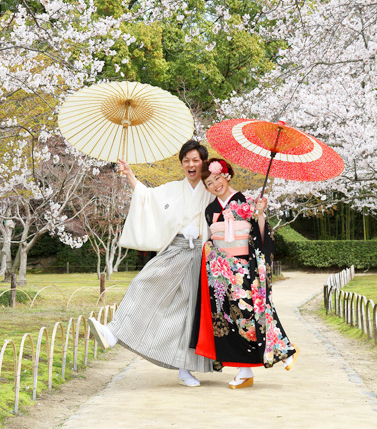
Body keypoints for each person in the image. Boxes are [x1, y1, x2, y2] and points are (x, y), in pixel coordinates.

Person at [88, 140, 214, 387]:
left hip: (202, 254)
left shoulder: (210, 188)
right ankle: (113, 333)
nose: (191, 164)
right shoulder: (173, 188)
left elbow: (227, 205)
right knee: (143, 283)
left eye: (196, 160)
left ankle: (186, 368)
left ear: (203, 163)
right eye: (186, 160)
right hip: (176, 249)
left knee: (190, 314)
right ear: (181, 164)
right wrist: (130, 175)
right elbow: (148, 197)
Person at [191, 158, 299, 388]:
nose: (215, 184)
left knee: (252, 318)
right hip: (221, 275)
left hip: (245, 272)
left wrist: (259, 214)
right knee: (232, 324)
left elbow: (262, 238)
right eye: (209, 182)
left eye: (217, 178)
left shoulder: (249, 202)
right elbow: (211, 239)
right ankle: (246, 370)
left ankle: (284, 350)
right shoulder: (211, 210)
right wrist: (210, 247)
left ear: (227, 175)